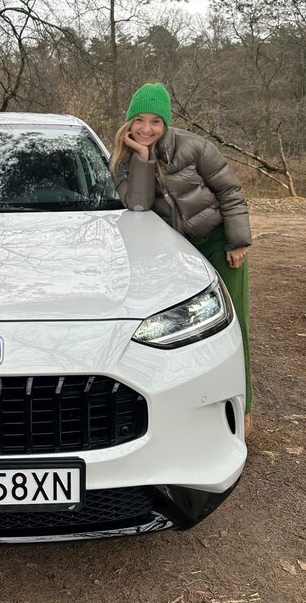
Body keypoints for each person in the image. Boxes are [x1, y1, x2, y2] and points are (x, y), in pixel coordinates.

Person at [110, 82, 253, 435]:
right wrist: (142, 160)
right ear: (128, 122)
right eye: (139, 120)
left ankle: (245, 407)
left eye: (155, 122)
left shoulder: (195, 147)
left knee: (234, 319)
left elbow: (229, 192)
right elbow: (139, 205)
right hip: (177, 250)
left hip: (218, 238)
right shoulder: (121, 161)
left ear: (167, 124)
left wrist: (237, 241)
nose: (146, 129)